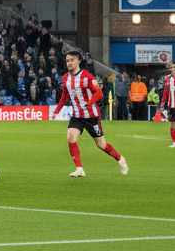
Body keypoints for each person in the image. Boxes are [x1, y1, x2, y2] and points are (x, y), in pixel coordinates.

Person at [54, 49, 128, 177]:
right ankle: (79, 169)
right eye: (67, 61)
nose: (69, 63)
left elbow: (98, 93)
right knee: (71, 138)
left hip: (91, 116)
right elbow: (65, 95)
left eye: (72, 60)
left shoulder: (87, 76)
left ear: (79, 61)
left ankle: (120, 159)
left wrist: (89, 102)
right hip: (77, 116)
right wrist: (57, 110)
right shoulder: (66, 77)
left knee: (101, 144)